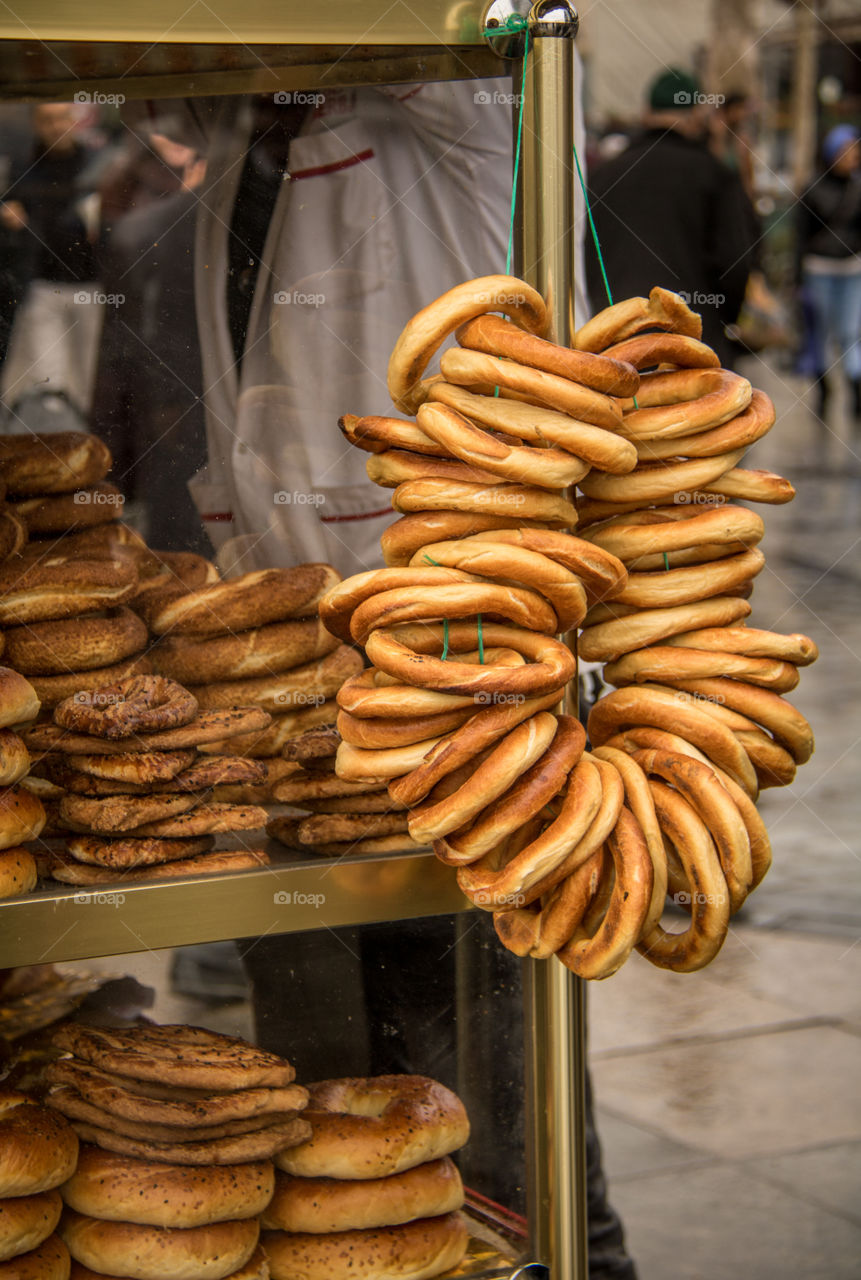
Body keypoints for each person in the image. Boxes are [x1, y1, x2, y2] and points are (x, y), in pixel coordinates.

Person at [149, 76, 636, 1278]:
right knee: (321, 1099)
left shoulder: (465, 119)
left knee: (490, 1089)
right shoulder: (246, 141)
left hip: (462, 672)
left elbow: (454, 48)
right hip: (287, 695)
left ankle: (566, 1257)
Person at [585, 68, 754, 368]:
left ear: (646, 112)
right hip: (691, 348)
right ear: (695, 116)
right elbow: (736, 261)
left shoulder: (603, 174)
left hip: (613, 346)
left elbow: (584, 253)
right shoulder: (713, 174)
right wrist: (720, 320)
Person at [0, 103, 103, 420]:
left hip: (92, 283)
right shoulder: (22, 164)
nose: (56, 126)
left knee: (91, 376)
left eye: (62, 118)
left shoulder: (97, 163)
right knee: (49, 376)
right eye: (47, 120)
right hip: (42, 284)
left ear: (75, 120)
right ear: (35, 123)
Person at [796, 123, 861, 422]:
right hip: (819, 269)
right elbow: (800, 235)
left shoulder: (857, 188)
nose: (851, 156)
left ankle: (855, 387)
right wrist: (797, 280)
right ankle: (824, 388)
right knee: (819, 331)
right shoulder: (813, 188)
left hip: (852, 269)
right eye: (845, 149)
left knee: (850, 332)